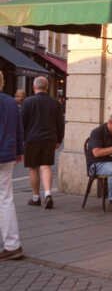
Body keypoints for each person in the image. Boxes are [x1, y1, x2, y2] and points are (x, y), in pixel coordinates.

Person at [21, 76, 64, 210]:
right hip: (49, 139)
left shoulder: (27, 102)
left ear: (34, 87)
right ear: (47, 87)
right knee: (46, 166)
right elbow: (60, 124)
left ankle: (35, 197)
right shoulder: (55, 103)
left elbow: (23, 122)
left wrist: (22, 140)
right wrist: (59, 140)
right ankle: (48, 194)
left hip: (32, 139)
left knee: (33, 168)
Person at [0, 72, 24, 260]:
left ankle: (12, 244)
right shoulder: (11, 103)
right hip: (7, 155)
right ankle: (12, 244)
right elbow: (18, 129)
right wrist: (19, 151)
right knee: (5, 199)